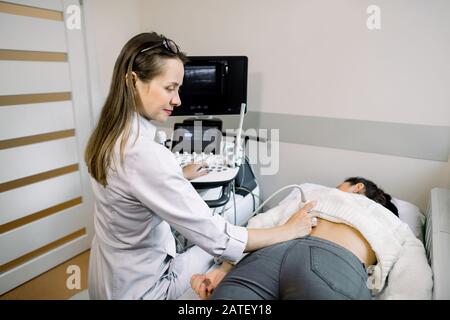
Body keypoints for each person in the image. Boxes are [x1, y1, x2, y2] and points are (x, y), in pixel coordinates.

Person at [84, 32, 317, 300]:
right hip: (143, 289)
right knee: (229, 223)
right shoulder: (145, 155)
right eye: (170, 88)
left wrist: (177, 174)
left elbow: (129, 185)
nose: (178, 100)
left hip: (109, 275)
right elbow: (221, 239)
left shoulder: (109, 134)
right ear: (133, 81)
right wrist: (289, 230)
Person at [190, 177, 403, 300]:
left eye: (339, 185)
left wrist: (223, 271)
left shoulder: (315, 197)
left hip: (266, 256)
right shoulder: (395, 225)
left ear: (358, 186)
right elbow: (412, 277)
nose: (334, 190)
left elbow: (260, 224)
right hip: (335, 263)